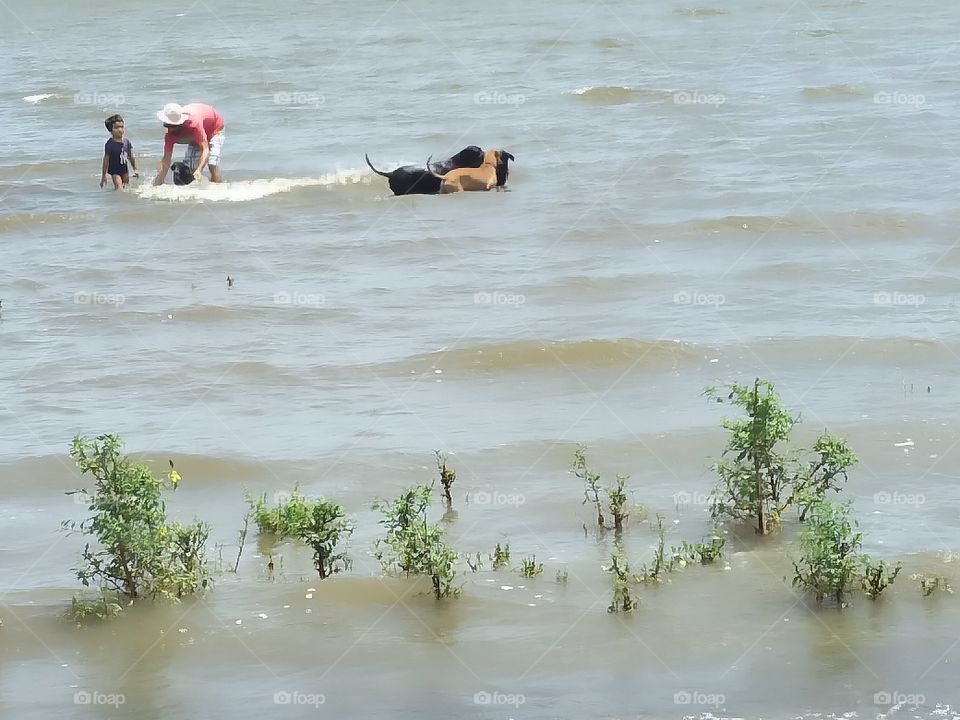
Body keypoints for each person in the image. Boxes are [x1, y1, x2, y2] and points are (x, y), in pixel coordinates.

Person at [153, 102, 225, 185]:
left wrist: (199, 169)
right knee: (191, 169)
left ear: (181, 123)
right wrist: (158, 181)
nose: (171, 129)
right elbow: (166, 159)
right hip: (197, 133)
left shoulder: (194, 125)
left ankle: (217, 187)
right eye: (167, 125)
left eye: (174, 126)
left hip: (215, 128)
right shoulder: (169, 135)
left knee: (212, 163)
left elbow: (205, 149)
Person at [100, 114, 138, 190]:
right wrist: (103, 175)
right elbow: (106, 159)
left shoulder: (126, 142)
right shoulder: (110, 144)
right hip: (114, 170)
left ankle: (123, 201)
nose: (120, 130)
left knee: (126, 187)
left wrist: (135, 169)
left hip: (124, 169)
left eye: (122, 127)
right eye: (116, 127)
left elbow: (130, 156)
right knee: (119, 187)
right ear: (111, 130)